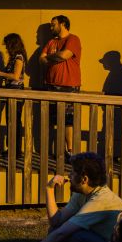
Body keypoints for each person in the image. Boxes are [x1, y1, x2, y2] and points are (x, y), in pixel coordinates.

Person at [40, 15, 82, 161]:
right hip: (51, 85)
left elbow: (65, 55)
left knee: (67, 120)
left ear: (63, 24)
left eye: (53, 25)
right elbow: (41, 59)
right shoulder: (51, 41)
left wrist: (51, 56)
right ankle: (53, 150)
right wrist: (54, 56)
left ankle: (69, 150)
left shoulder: (73, 39)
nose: (51, 28)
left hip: (68, 86)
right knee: (52, 119)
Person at [0, 33, 27, 155]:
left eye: (7, 46)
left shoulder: (19, 58)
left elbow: (16, 76)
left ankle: (16, 150)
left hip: (16, 93)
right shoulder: (13, 58)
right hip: (10, 92)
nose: (6, 49)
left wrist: (0, 73)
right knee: (11, 120)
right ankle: (12, 149)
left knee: (14, 121)